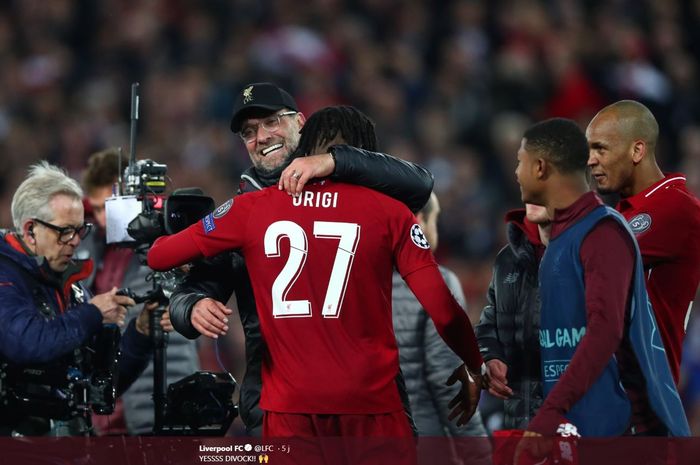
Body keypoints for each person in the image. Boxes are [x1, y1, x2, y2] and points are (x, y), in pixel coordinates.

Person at [148, 106, 484, 443]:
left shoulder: (250, 208)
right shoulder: (393, 214)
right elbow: (443, 308)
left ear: (303, 146)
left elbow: (160, 256)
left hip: (288, 414)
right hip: (374, 409)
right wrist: (473, 362)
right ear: (366, 158)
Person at [512, 118, 687, 443]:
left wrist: (551, 411)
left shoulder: (602, 232)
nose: (516, 173)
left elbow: (605, 330)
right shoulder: (562, 239)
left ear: (540, 167)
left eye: (519, 163)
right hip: (582, 426)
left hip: (627, 431)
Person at [0, 162, 157, 436]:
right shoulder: (5, 275)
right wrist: (93, 314)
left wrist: (141, 333)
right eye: (64, 231)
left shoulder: (70, 285)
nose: (75, 241)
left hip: (64, 446)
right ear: (29, 231)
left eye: (79, 230)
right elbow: (25, 343)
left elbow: (99, 387)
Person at [77, 148, 197, 435]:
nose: (103, 219)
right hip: (106, 413)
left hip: (158, 396)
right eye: (95, 209)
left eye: (110, 208)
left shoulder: (166, 245)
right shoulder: (86, 251)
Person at [586, 100, 700, 385]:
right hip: (613, 391)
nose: (591, 160)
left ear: (637, 150)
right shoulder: (625, 212)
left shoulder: (675, 207)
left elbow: (591, 263)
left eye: (601, 149)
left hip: (644, 395)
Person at [392, 192, 489, 464]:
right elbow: (450, 383)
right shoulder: (438, 282)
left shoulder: (354, 283)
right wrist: (478, 455)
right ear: (419, 223)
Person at [475, 203, 549, 430]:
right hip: (518, 420)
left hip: (576, 421)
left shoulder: (590, 249)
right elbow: (489, 325)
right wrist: (491, 357)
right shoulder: (507, 259)